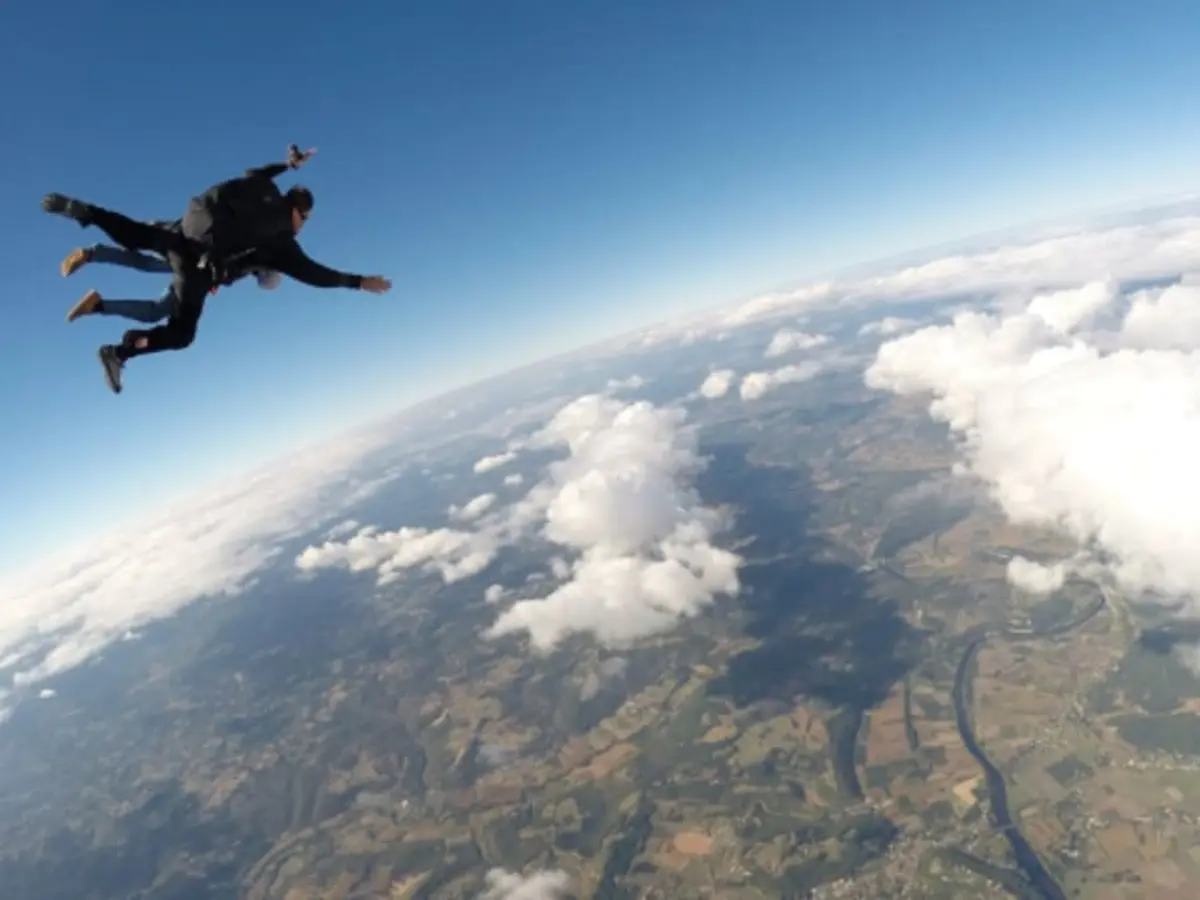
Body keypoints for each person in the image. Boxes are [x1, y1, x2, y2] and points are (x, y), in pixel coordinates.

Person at [41, 145, 392, 394]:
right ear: (299, 214)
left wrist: (289, 166)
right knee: (180, 333)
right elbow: (315, 274)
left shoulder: (263, 186)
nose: (303, 227)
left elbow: (257, 172)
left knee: (138, 236)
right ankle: (122, 351)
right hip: (198, 267)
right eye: (306, 221)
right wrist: (358, 282)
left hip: (184, 228)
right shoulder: (281, 243)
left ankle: (88, 213)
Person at [58, 241, 281, 324]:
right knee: (148, 265)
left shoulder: (248, 266)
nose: (257, 275)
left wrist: (213, 282)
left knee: (155, 310)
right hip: (194, 256)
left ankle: (97, 305)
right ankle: (91, 254)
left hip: (196, 275)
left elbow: (225, 272)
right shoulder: (254, 247)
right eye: (261, 275)